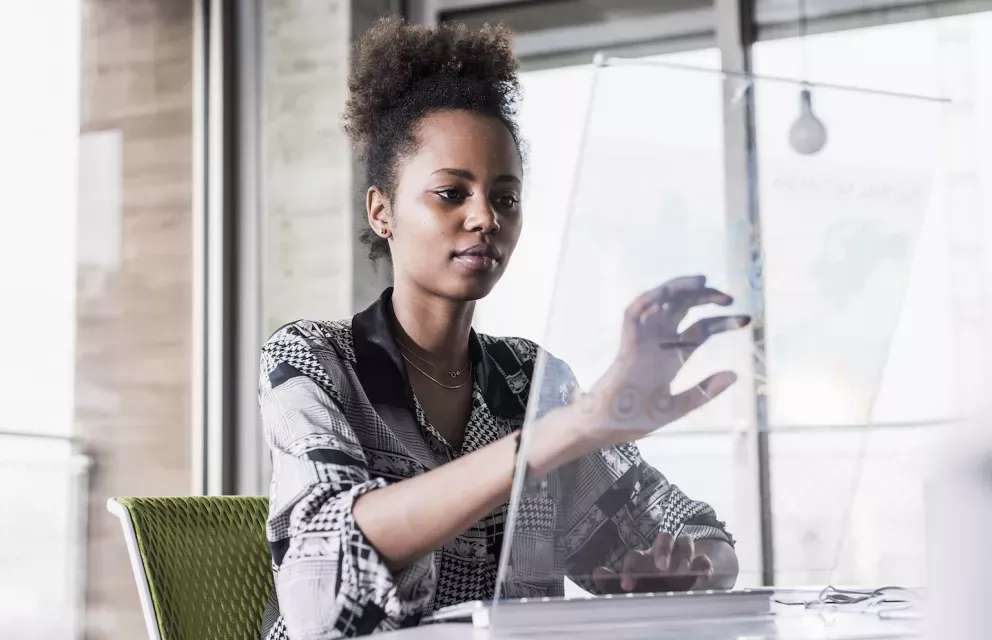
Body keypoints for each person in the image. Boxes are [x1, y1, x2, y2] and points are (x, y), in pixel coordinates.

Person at [258, 16, 749, 640]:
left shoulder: (529, 381)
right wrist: (565, 430)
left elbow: (701, 536)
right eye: (449, 194)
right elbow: (321, 586)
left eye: (506, 197)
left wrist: (688, 573)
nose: (485, 217)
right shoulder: (314, 360)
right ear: (382, 211)